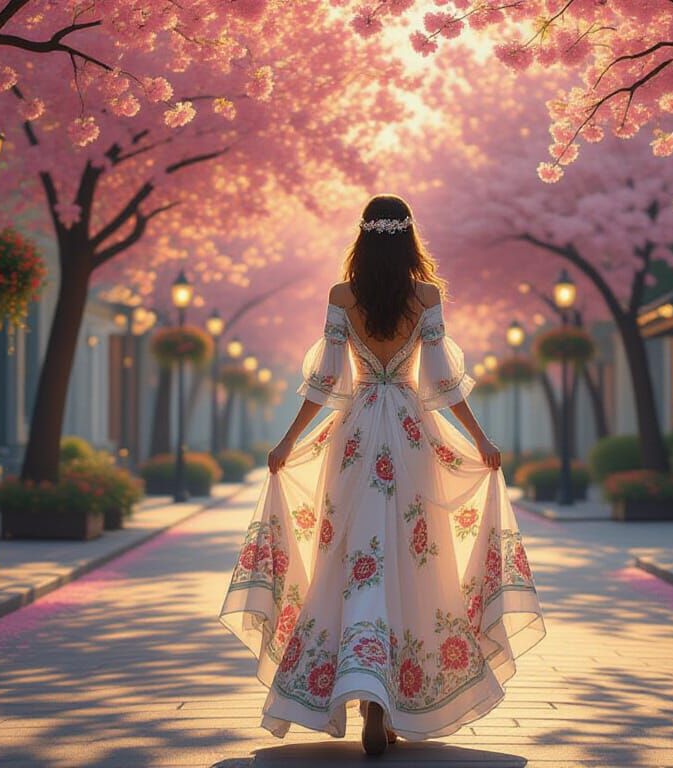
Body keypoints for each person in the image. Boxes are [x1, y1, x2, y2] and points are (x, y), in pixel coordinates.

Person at [219, 194, 545, 755]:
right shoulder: (426, 298)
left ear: (363, 238)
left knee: (351, 559)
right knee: (412, 563)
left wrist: (287, 440)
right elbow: (441, 383)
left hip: (355, 435)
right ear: (409, 238)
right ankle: (388, 699)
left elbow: (325, 382)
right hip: (412, 434)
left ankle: (366, 692)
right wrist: (480, 439)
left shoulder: (343, 297)